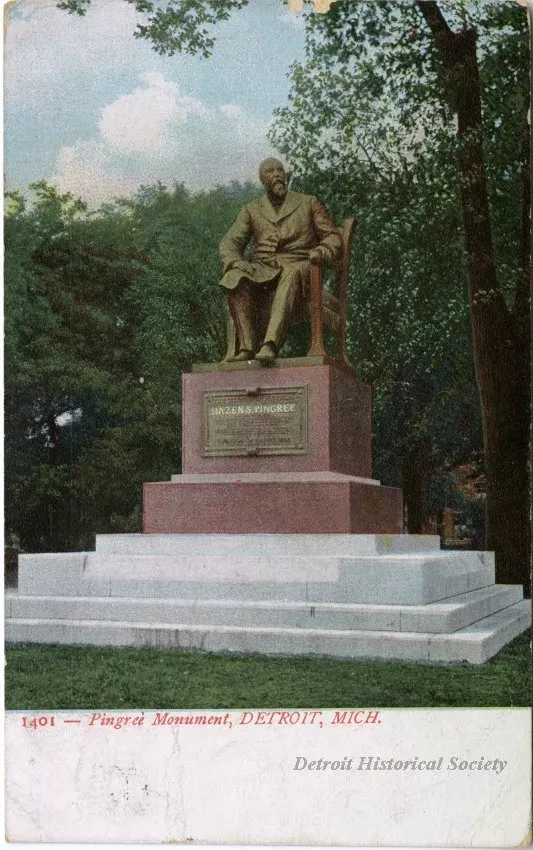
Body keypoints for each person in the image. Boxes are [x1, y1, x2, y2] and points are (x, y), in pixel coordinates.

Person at [219, 158, 342, 363]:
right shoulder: (251, 209)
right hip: (263, 270)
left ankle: (270, 344)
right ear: (262, 180)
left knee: (291, 272)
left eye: (279, 170)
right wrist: (233, 261)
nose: (276, 174)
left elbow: (333, 237)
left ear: (285, 176)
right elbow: (229, 241)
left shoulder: (308, 202)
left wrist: (322, 250)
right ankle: (248, 348)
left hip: (302, 266)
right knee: (233, 277)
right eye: (270, 171)